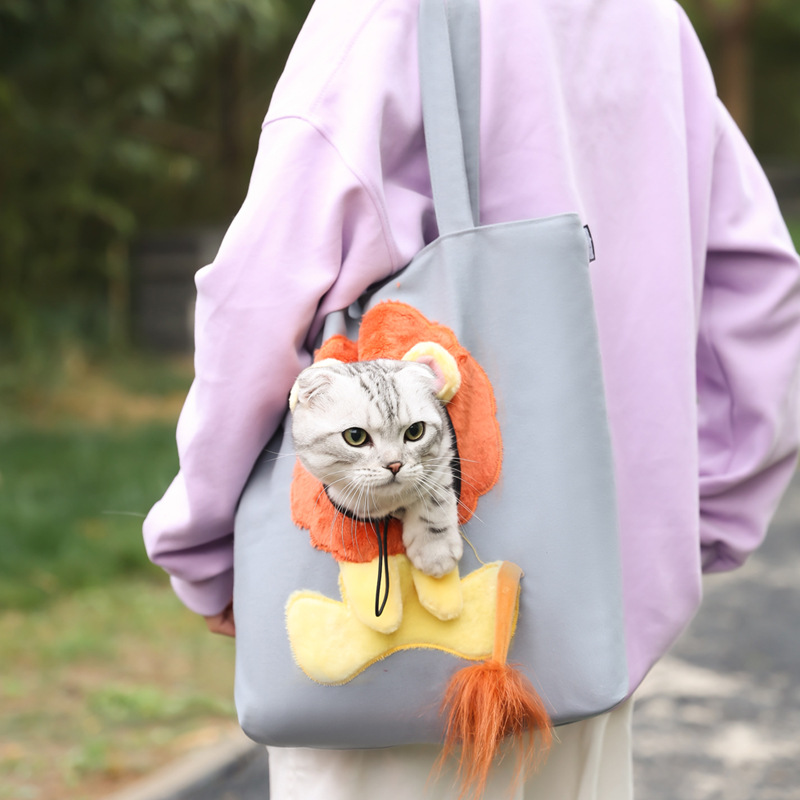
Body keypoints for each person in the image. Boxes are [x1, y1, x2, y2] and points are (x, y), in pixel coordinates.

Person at [143, 0, 800, 797]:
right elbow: (759, 286)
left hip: (404, 660)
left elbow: (257, 305)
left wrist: (203, 551)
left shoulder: (384, 16)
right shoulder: (653, 19)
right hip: (593, 626)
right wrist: (681, 529)